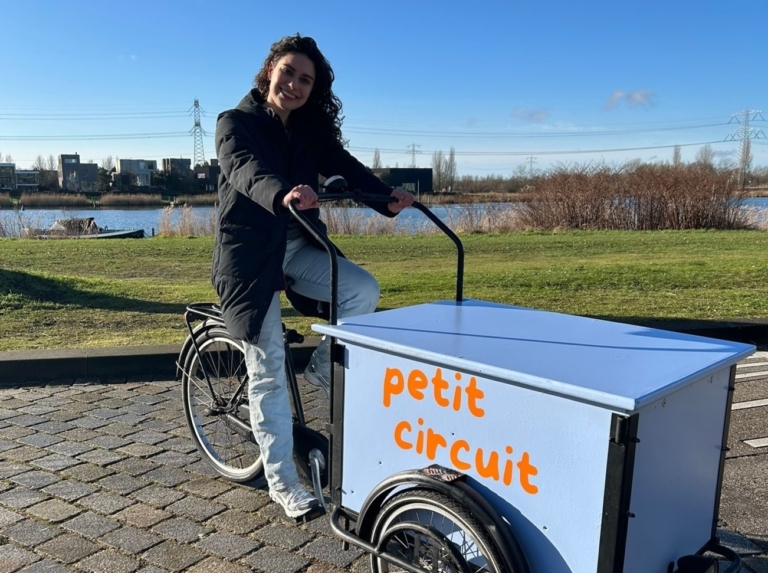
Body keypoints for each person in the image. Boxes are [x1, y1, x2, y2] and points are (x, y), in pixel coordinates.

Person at [212, 34, 414, 519]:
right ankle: (284, 482)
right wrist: (282, 193)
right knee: (269, 368)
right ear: (269, 71)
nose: (296, 85)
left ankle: (325, 367)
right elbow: (244, 169)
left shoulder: (306, 132)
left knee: (362, 289)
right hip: (251, 257)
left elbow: (346, 167)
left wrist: (385, 197)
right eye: (289, 73)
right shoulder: (233, 122)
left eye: (307, 79)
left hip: (298, 246)